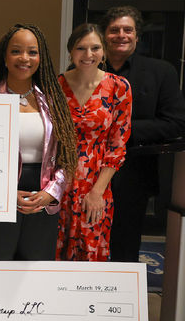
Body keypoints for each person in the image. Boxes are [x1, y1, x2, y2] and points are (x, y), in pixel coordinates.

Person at [0, 24, 77, 260]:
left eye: (32, 52)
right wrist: (6, 193)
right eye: (16, 51)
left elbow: (66, 158)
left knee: (35, 275)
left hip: (42, 199)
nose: (24, 58)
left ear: (41, 58)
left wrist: (51, 192)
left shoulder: (54, 101)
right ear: (5, 57)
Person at [102, 6, 185, 262]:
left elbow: (177, 124)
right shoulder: (85, 68)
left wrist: (120, 130)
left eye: (128, 30)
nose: (121, 35)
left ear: (137, 36)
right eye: (114, 30)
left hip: (134, 176)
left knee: (125, 247)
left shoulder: (161, 72)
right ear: (104, 35)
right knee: (84, 244)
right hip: (88, 174)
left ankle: (120, 301)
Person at [55, 23, 131, 261]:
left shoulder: (119, 87)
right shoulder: (56, 86)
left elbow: (118, 145)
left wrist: (97, 192)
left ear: (103, 51)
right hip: (59, 182)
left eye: (95, 48)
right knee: (54, 251)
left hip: (96, 185)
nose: (88, 55)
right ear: (70, 52)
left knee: (90, 252)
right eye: (81, 48)